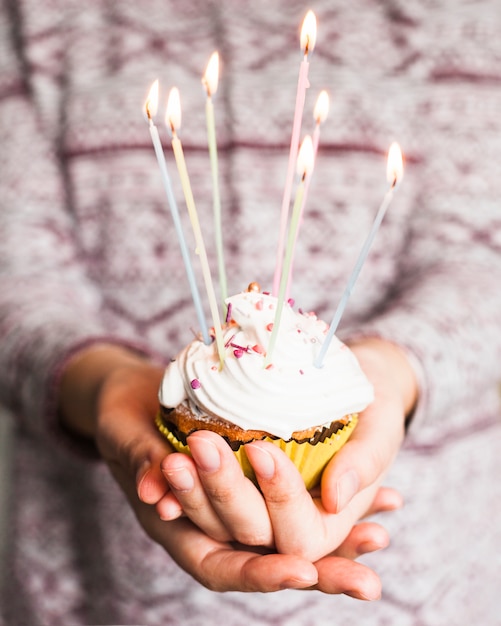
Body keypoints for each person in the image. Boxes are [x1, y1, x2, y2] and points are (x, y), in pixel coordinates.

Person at [1, 0, 500, 624]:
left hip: (428, 571)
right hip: (92, 575)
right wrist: (106, 386)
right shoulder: (38, 16)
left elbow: (484, 268)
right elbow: (17, 279)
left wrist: (392, 372)